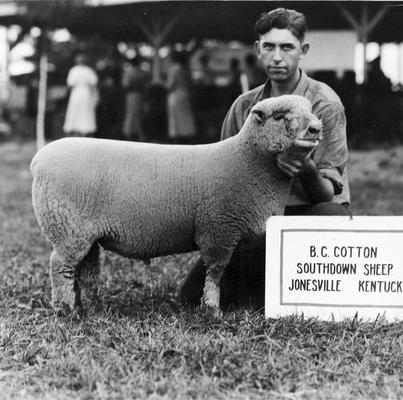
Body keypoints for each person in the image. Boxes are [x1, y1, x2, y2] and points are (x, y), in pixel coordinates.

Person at [179, 7, 350, 308]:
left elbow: (326, 195)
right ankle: (268, 283)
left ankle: (273, 285)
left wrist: (305, 169)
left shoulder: (325, 104)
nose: (277, 57)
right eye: (269, 47)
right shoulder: (246, 107)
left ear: (303, 50)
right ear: (258, 50)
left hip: (307, 212)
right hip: (257, 221)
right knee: (191, 297)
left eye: (287, 47)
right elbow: (223, 180)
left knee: (334, 220)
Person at [63, 53, 99, 137]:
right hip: (85, 94)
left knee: (78, 112)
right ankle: (81, 132)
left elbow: (70, 84)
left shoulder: (74, 70)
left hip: (77, 94)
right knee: (83, 112)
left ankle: (81, 132)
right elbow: (93, 85)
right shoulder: (88, 70)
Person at [166, 51, 196, 143]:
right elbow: (191, 83)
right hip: (185, 94)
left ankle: (176, 140)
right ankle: (186, 139)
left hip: (176, 95)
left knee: (175, 119)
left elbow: (170, 85)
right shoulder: (186, 68)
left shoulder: (174, 68)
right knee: (185, 118)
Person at [121, 57, 148, 141]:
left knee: (131, 113)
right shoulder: (141, 72)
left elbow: (125, 85)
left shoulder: (129, 73)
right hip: (139, 95)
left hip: (131, 95)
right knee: (137, 114)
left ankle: (129, 134)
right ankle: (137, 134)